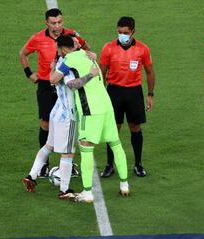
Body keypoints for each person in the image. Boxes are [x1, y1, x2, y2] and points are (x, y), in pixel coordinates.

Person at [51, 35, 130, 203]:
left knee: (86, 149)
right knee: (116, 144)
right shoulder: (88, 55)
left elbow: (60, 82)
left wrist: (56, 68)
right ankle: (124, 185)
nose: (59, 53)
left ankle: (87, 192)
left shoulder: (69, 59)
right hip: (107, 106)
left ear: (63, 49)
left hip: (90, 110)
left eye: (59, 50)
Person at [19, 8, 90, 177]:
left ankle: (67, 165)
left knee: (70, 124)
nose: (57, 26)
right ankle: (44, 165)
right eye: (53, 23)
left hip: (67, 85)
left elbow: (87, 50)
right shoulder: (37, 38)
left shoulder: (72, 36)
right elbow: (23, 54)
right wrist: (29, 73)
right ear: (46, 23)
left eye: (59, 22)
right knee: (45, 123)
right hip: (46, 84)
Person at [22, 37, 95, 199]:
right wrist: (90, 75)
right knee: (68, 153)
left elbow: (52, 78)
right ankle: (64, 189)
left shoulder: (59, 60)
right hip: (68, 115)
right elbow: (72, 84)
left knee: (49, 146)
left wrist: (90, 54)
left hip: (56, 111)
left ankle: (31, 176)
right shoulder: (68, 64)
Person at [99, 16, 155, 177]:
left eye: (125, 32)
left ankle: (138, 164)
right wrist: (102, 95)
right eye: (119, 32)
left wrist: (150, 94)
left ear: (133, 32)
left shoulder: (142, 49)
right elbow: (101, 72)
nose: (122, 35)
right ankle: (110, 165)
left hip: (134, 93)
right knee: (113, 129)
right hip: (114, 92)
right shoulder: (109, 48)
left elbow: (150, 72)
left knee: (135, 128)